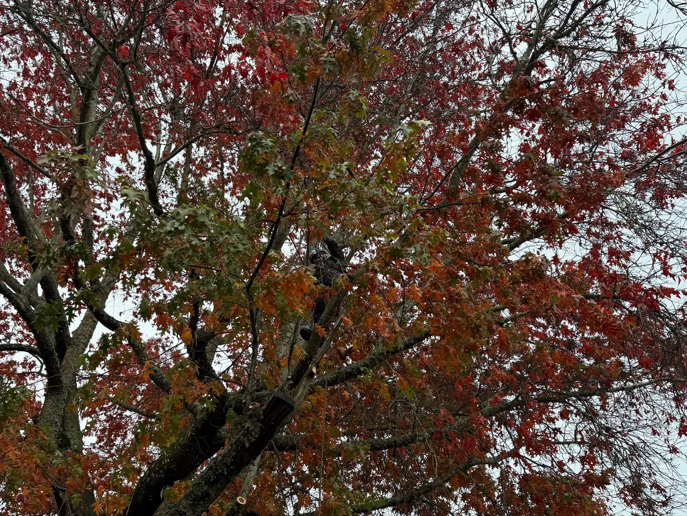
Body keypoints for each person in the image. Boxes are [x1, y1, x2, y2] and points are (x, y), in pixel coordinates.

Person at [299, 236, 347, 341]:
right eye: (314, 259)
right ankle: (319, 335)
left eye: (318, 256)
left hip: (338, 288)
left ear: (323, 254)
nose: (317, 259)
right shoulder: (315, 274)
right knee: (318, 305)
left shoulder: (335, 260)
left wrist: (323, 235)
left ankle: (321, 334)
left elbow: (334, 245)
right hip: (324, 295)